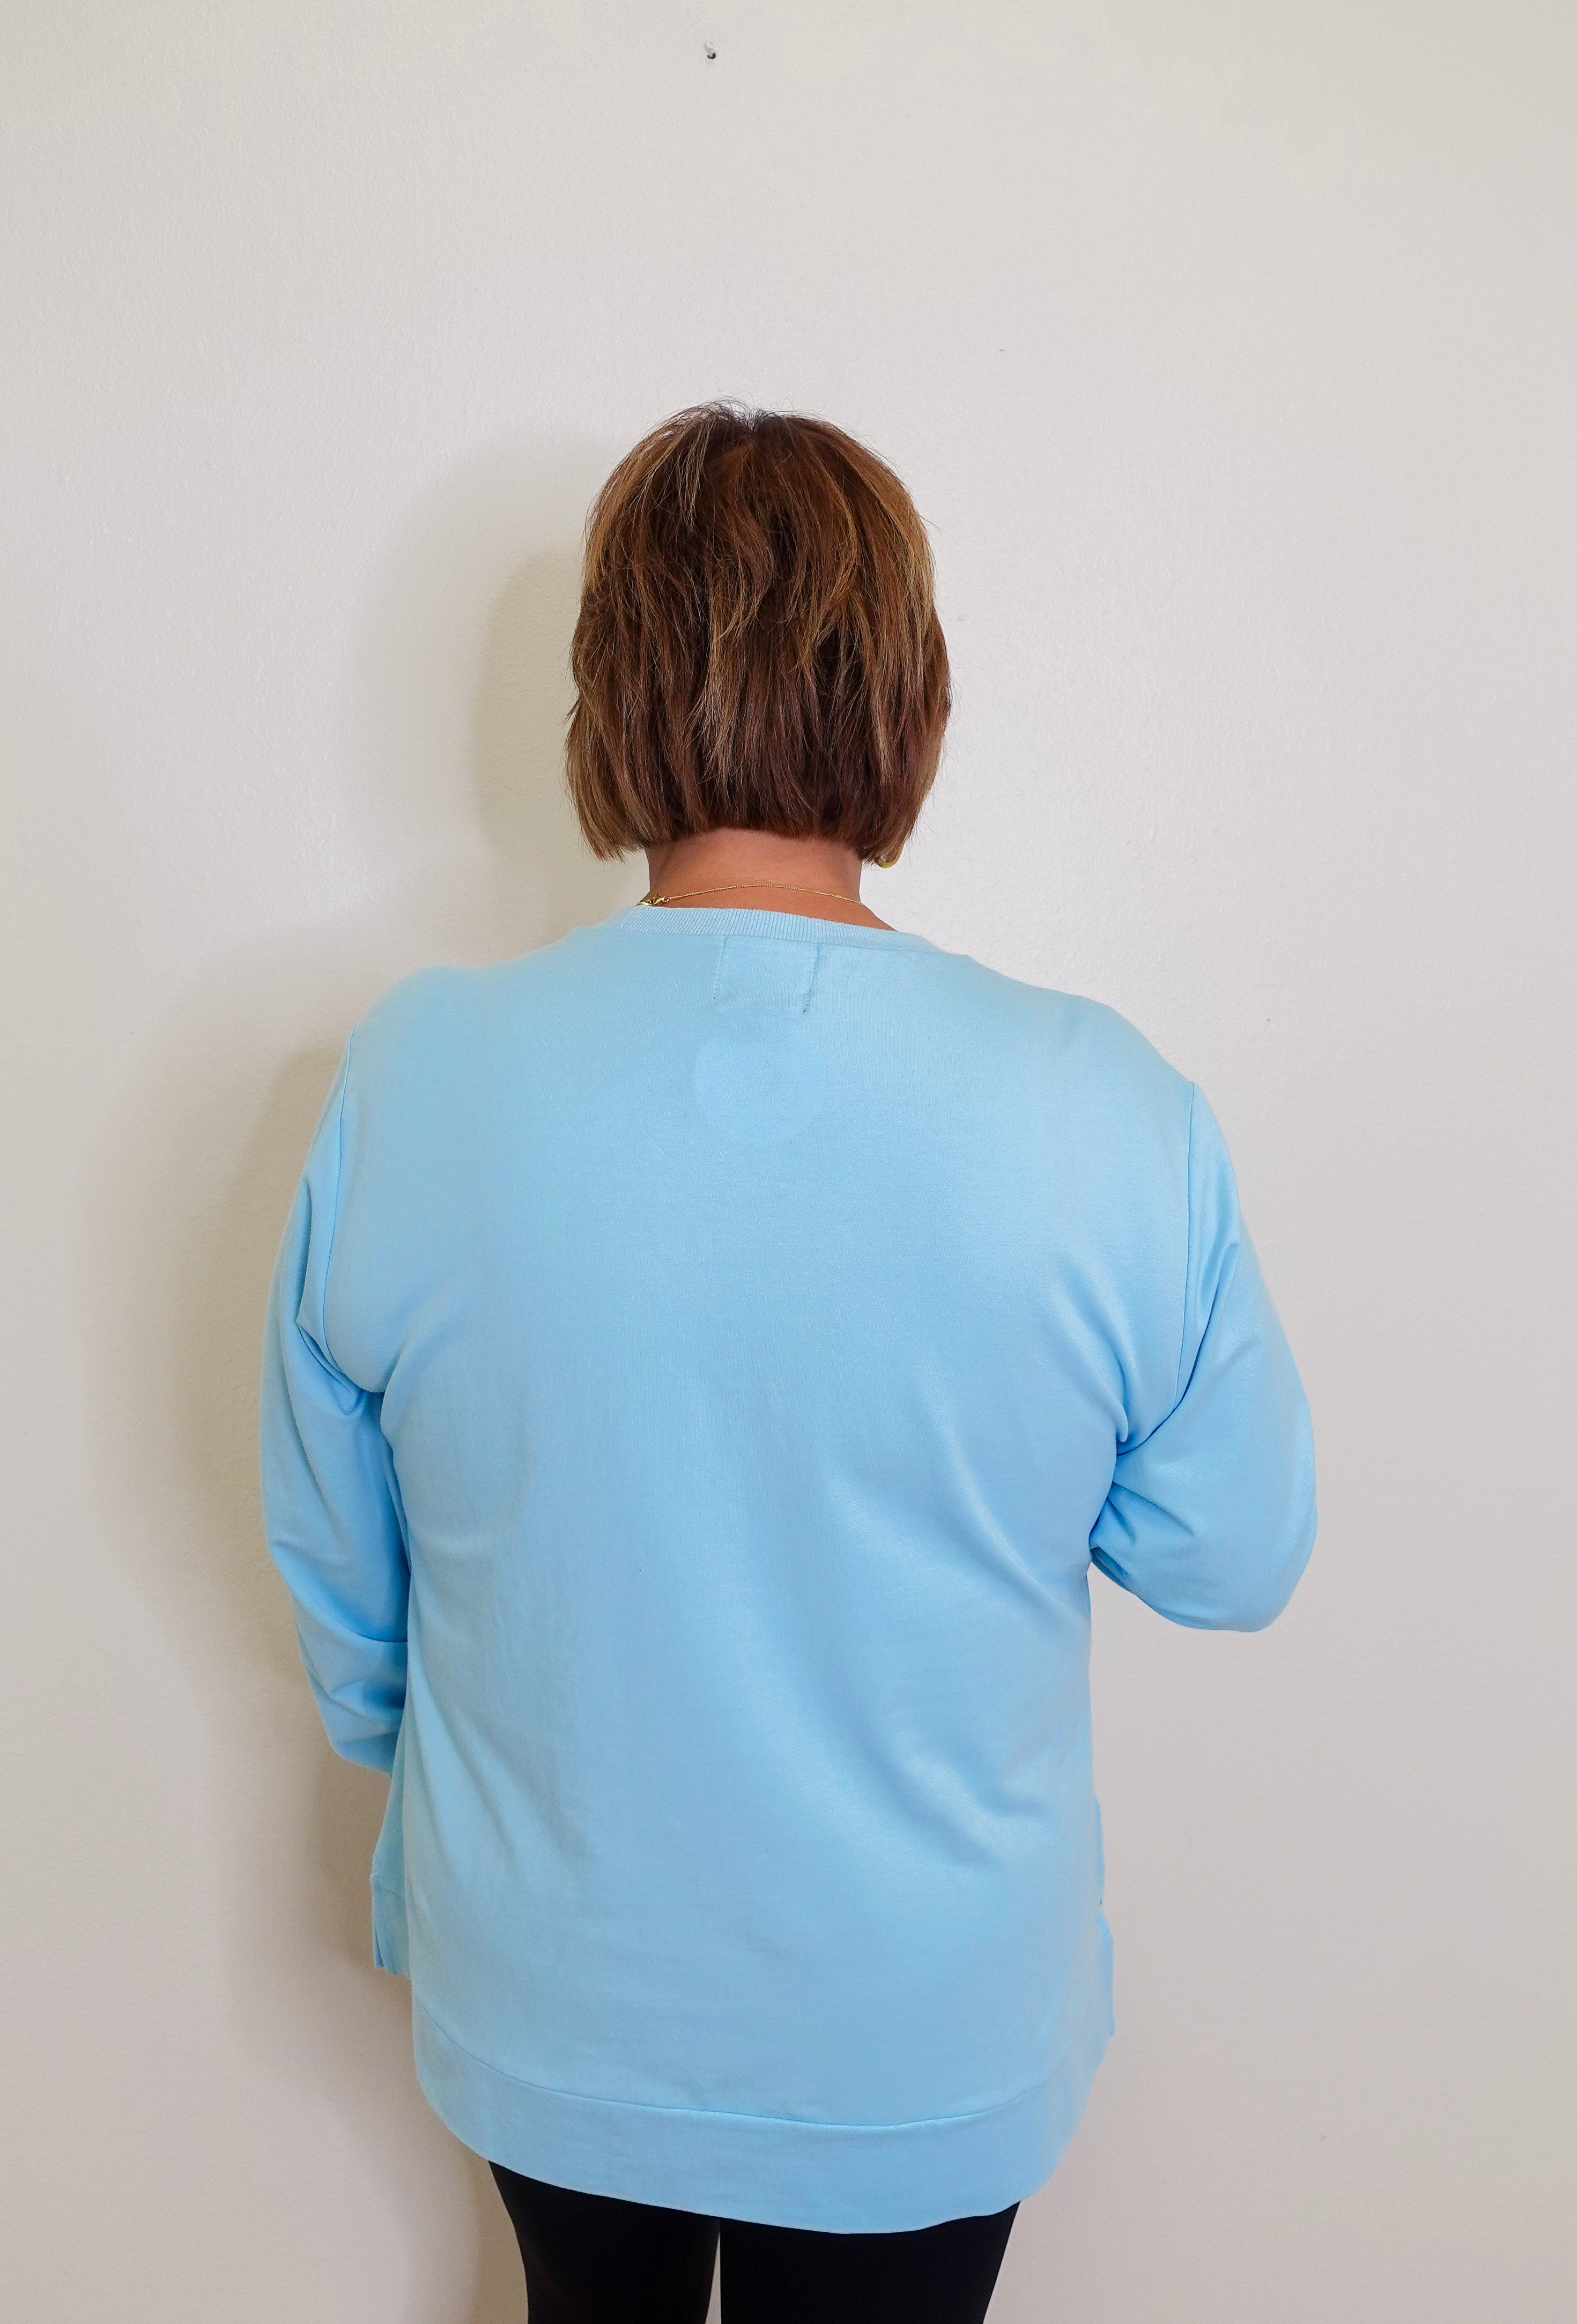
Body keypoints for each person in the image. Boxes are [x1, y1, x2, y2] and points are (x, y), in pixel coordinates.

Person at [259, 402, 1317, 2322]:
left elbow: (352, 1614)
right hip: (920, 2023)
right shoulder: (1104, 1107)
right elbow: (1230, 1556)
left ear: (611, 692)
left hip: (552, 1982)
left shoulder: (411, 1080)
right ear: (903, 696)